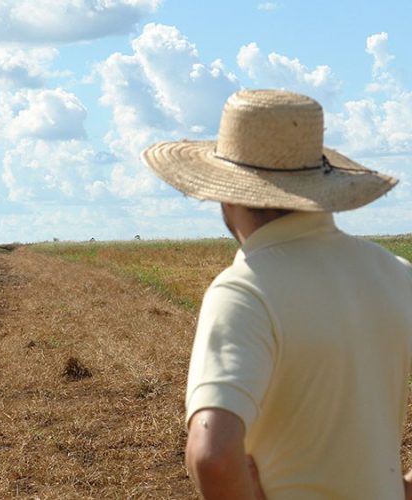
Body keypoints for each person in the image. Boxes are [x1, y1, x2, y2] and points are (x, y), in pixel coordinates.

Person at [141, 89, 412, 499]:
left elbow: (212, 455)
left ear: (227, 194)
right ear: (322, 187)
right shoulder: (396, 273)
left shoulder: (243, 289)